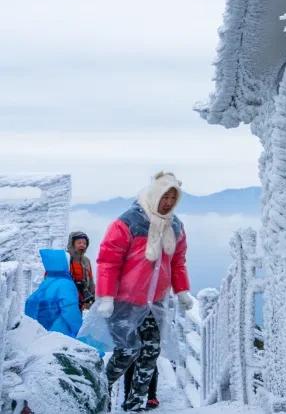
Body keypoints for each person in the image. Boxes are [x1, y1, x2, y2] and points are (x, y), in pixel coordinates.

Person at [97, 171, 194, 412]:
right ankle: (100, 388)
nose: (169, 202)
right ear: (154, 194)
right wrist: (107, 297)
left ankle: (136, 403)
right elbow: (108, 261)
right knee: (127, 352)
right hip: (124, 302)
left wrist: (182, 291)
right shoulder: (128, 221)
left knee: (150, 352)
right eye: (165, 196)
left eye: (173, 198)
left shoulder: (175, 226)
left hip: (155, 303)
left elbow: (177, 262)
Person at [23, 249, 83, 338]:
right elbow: (70, 311)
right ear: (64, 264)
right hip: (60, 336)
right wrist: (81, 333)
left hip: (41, 335)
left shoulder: (47, 283)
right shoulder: (65, 284)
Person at [69, 231, 96, 311]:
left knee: (77, 319)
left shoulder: (86, 260)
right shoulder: (66, 258)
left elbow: (90, 280)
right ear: (72, 244)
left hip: (81, 297)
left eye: (84, 243)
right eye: (79, 242)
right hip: (68, 295)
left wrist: (93, 296)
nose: (82, 245)